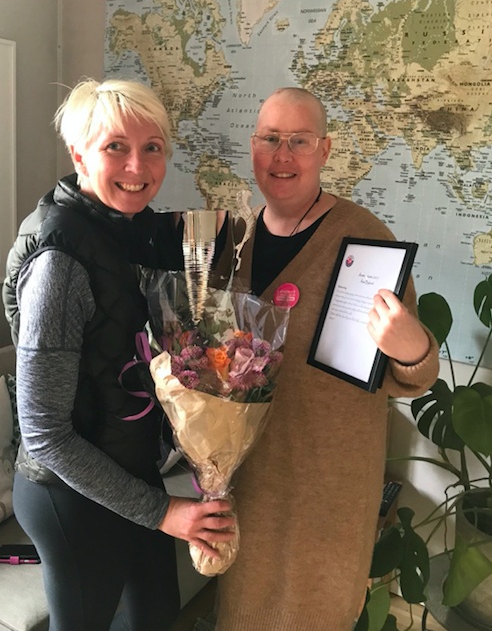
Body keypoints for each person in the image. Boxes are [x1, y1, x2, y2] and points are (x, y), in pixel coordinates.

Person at [1, 78, 235, 631]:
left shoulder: (131, 231)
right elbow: (44, 433)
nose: (138, 166)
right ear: (79, 154)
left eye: (152, 147)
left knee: (154, 617)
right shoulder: (59, 263)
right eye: (115, 147)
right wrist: (164, 511)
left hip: (129, 470)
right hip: (66, 494)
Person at [214, 87, 440, 631]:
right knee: (241, 613)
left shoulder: (365, 239)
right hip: (248, 483)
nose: (282, 155)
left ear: (325, 149)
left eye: (299, 140)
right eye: (270, 139)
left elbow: (416, 375)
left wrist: (411, 345)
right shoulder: (234, 241)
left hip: (327, 491)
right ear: (253, 147)